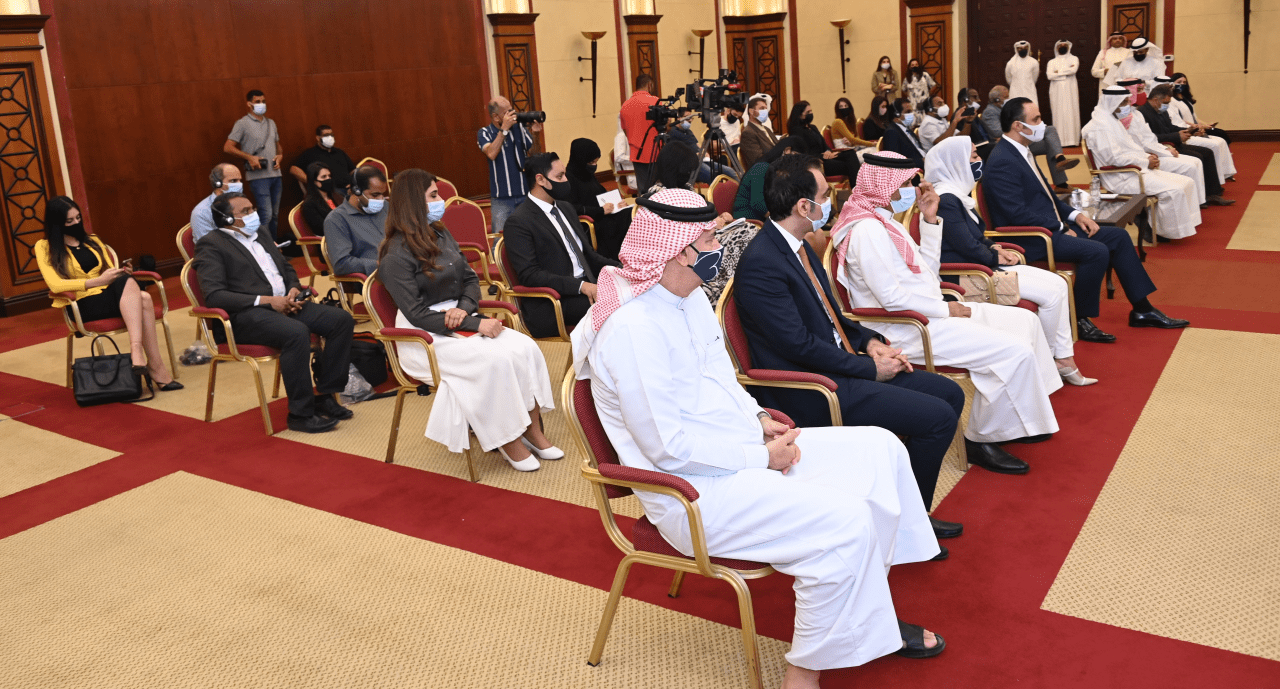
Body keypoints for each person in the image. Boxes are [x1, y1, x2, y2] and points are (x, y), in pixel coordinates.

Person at [570, 187, 945, 689]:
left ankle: (866, 610)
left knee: (881, 448)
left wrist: (760, 416)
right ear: (678, 251)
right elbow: (667, 449)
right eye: (710, 240)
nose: (720, 249)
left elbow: (722, 381)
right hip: (692, 492)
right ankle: (803, 674)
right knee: (846, 520)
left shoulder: (687, 299)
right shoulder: (632, 329)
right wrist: (760, 456)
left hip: (737, 449)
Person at [734, 154, 971, 534]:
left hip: (840, 362)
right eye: (824, 196)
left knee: (949, 393)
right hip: (810, 386)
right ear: (804, 207)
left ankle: (903, 507)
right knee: (938, 418)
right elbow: (798, 346)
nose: (831, 202)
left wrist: (871, 341)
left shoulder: (798, 245)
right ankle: (911, 524)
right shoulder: (763, 262)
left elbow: (833, 314)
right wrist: (870, 368)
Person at [832, 151, 1064, 473]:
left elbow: (926, 273)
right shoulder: (866, 231)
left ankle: (1021, 417)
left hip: (929, 310)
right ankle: (981, 439)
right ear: (885, 187)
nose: (912, 190)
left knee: (1025, 321)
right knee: (1014, 350)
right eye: (905, 184)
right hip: (907, 327)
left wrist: (929, 221)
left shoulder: (886, 221)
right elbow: (891, 299)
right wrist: (946, 308)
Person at [378, 169, 558, 471]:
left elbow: (470, 279)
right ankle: (507, 440)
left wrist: (464, 309)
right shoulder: (394, 255)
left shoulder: (439, 232)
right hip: (422, 336)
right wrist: (474, 323)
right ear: (413, 203)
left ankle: (531, 430)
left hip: (459, 315)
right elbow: (417, 314)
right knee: (493, 361)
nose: (441, 200)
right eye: (433, 195)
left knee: (524, 348)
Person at [987, 96, 1189, 342]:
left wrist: (1076, 215)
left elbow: (1047, 196)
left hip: (1048, 227)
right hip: (1031, 238)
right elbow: (1015, 214)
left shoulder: (1021, 151)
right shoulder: (1003, 160)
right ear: (1018, 126)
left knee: (1118, 237)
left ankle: (1142, 309)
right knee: (1096, 251)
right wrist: (1061, 226)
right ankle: (1079, 318)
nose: (1042, 124)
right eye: (1036, 119)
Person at [925, 137, 1096, 386]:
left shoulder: (957, 193)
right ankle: (1051, 360)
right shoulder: (946, 200)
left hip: (982, 264)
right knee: (1050, 295)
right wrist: (995, 255)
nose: (979, 161)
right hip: (966, 274)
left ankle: (1061, 358)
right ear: (955, 162)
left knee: (1059, 284)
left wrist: (995, 248)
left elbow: (976, 238)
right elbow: (966, 246)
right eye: (973, 156)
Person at [195, 192, 354, 433]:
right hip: (247, 315)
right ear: (227, 219)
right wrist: (268, 301)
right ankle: (300, 414)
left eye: (252, 208)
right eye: (246, 211)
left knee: (340, 320)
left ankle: (325, 395)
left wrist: (293, 289)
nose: (253, 214)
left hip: (287, 304)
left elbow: (285, 268)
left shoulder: (261, 232)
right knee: (296, 332)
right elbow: (215, 295)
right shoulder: (212, 244)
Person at [37, 196, 182, 392]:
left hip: (108, 296)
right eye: (69, 221)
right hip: (81, 304)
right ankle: (151, 364)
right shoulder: (44, 247)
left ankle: (147, 361)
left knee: (140, 293)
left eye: (78, 218)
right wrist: (97, 282)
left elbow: (108, 271)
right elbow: (55, 285)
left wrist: (122, 272)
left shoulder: (93, 240)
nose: (76, 223)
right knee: (143, 298)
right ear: (57, 224)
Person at [504, 152, 620, 338]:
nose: (566, 180)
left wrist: (623, 268)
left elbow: (589, 256)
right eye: (560, 176)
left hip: (586, 287)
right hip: (554, 301)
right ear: (540, 180)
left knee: (635, 293)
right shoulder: (519, 222)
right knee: (618, 308)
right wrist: (581, 286)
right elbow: (530, 275)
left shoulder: (565, 208)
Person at [1107, 87, 1206, 239]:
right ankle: (1162, 231)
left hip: (1141, 162)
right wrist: (1147, 160)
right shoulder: (1103, 127)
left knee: (1188, 179)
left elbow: (1145, 141)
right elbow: (1117, 157)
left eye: (1128, 101)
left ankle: (1183, 222)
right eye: (1125, 102)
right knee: (1176, 188)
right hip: (1124, 173)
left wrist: (1157, 153)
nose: (1129, 104)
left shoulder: (1129, 117)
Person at [1139, 83, 1234, 206]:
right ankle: (1201, 197)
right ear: (1156, 100)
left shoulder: (1160, 110)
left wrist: (1189, 131)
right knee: (1199, 156)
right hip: (1163, 147)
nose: (1167, 106)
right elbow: (1152, 138)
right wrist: (1177, 136)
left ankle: (1213, 193)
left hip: (1173, 142)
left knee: (1208, 152)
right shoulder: (1142, 113)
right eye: (1166, 102)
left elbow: (1170, 127)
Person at [983, 86, 1078, 191]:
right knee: (1050, 131)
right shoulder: (990, 111)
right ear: (996, 99)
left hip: (1021, 140)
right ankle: (1060, 162)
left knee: (1050, 142)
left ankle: (1061, 180)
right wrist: (1021, 127)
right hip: (1008, 145)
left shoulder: (1004, 109)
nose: (1008, 99)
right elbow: (997, 131)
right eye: (1005, 97)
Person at [225, 90, 283, 240]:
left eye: (263, 101)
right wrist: (249, 157)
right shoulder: (242, 123)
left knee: (275, 214)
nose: (261, 104)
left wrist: (280, 156)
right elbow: (228, 147)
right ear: (249, 104)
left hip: (276, 174)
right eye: (257, 102)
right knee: (266, 214)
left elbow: (278, 146)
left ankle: (275, 245)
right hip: (258, 177)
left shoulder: (271, 123)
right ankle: (264, 246)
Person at [479, 95, 542, 234]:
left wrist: (536, 135)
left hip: (524, 194)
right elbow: (491, 153)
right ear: (496, 117)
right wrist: (504, 130)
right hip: (501, 199)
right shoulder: (484, 133)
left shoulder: (519, 128)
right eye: (507, 112)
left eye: (512, 110)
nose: (512, 115)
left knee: (530, 234)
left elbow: (535, 153)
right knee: (500, 240)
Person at [565, 138, 633, 260]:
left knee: (630, 212)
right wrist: (601, 211)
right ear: (580, 160)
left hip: (604, 214)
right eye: (591, 162)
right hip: (592, 222)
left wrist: (618, 203)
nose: (594, 166)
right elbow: (573, 208)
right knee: (623, 221)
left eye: (596, 162)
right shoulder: (569, 179)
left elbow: (602, 193)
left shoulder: (587, 174)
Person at [324, 165, 390, 276]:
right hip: (374, 275)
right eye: (375, 195)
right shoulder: (336, 219)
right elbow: (341, 264)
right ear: (357, 191)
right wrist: (379, 265)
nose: (380, 199)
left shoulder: (386, 207)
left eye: (382, 194)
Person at [1169, 73, 1236, 178]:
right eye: (1179, 82)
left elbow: (1194, 117)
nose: (1182, 84)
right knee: (1217, 139)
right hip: (1189, 130)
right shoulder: (1171, 101)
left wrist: (1205, 125)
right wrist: (1197, 127)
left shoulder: (1186, 99)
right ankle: (1219, 173)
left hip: (1196, 127)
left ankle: (1226, 171)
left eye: (1184, 82)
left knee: (1221, 136)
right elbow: (1180, 121)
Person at [786, 101, 860, 180]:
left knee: (850, 153)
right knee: (850, 165)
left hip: (827, 157)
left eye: (811, 111)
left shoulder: (813, 127)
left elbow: (825, 144)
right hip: (818, 162)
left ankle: (858, 186)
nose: (811, 113)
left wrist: (828, 152)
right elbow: (804, 153)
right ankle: (858, 186)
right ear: (800, 115)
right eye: (808, 112)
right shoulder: (797, 131)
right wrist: (823, 156)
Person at [668, 107, 739, 184]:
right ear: (679, 118)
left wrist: (704, 152)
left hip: (702, 159)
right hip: (690, 163)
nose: (690, 120)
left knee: (730, 171)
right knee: (712, 176)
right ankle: (720, 191)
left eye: (691, 118)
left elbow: (697, 144)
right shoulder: (673, 132)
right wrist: (693, 155)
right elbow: (675, 152)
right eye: (687, 117)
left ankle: (742, 189)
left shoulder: (688, 131)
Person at [619, 74, 662, 192]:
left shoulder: (625, 105)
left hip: (637, 153)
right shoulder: (656, 101)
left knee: (643, 189)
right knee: (659, 189)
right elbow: (666, 125)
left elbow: (625, 130)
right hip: (656, 151)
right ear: (649, 85)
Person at [289, 125, 356, 193]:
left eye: (331, 135)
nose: (330, 137)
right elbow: (293, 169)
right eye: (326, 135)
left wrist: (355, 182)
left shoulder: (340, 152)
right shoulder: (310, 153)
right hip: (330, 191)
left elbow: (352, 170)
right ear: (318, 138)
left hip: (349, 188)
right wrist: (312, 182)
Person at [191, 163, 243, 242]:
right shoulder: (201, 213)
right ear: (218, 183)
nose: (239, 184)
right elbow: (209, 245)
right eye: (233, 181)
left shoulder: (241, 203)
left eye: (240, 180)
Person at [1047, 40, 1081, 146]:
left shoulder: (1074, 58)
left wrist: (1057, 72)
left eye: (1064, 45)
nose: (1062, 46)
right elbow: (1049, 76)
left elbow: (1073, 70)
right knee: (1058, 113)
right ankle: (1060, 141)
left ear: (1068, 47)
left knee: (1071, 111)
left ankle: (1073, 140)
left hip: (1070, 91)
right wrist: (1066, 73)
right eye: (1060, 45)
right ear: (1056, 48)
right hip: (1056, 91)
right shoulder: (1052, 62)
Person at [739, 95, 786, 169]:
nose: (765, 111)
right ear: (751, 111)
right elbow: (758, 160)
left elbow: (776, 146)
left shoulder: (766, 129)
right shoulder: (748, 132)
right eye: (762, 108)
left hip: (779, 164)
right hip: (767, 170)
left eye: (766, 109)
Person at [879, 98, 927, 167]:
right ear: (897, 115)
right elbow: (895, 161)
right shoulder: (891, 132)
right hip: (916, 168)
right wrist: (921, 161)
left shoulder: (906, 128)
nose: (912, 114)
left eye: (911, 111)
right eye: (908, 112)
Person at [299, 162, 340, 237]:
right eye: (324, 177)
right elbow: (323, 230)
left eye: (329, 176)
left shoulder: (335, 196)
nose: (328, 179)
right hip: (332, 239)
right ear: (314, 181)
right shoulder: (309, 205)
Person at [1006, 41, 1040, 105]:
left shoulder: (1034, 62)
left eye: (1025, 48)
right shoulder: (1010, 63)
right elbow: (1008, 78)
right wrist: (1017, 84)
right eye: (1020, 48)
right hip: (1015, 91)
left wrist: (1027, 83)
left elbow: (1035, 77)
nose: (1023, 50)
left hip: (1029, 90)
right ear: (1016, 49)